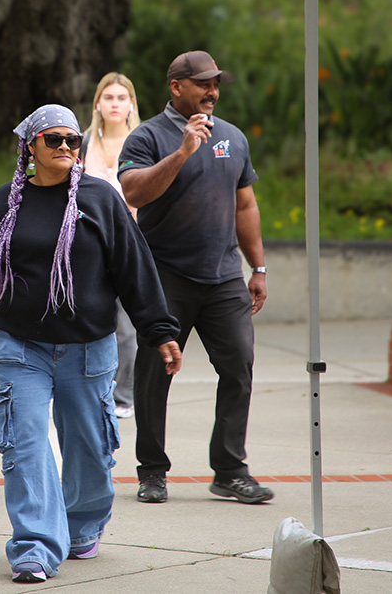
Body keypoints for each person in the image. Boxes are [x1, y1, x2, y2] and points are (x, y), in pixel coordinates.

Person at [0, 105, 182, 583]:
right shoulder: (6, 203)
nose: (65, 146)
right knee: (23, 443)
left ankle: (82, 525)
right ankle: (37, 545)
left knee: (87, 449)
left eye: (72, 139)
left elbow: (134, 268)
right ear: (30, 147)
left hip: (87, 348)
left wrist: (160, 331)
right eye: (53, 139)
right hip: (20, 347)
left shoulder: (99, 198)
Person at [117, 50, 273, 505]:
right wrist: (183, 150)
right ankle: (152, 472)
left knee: (239, 366)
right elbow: (134, 191)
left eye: (216, 84)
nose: (212, 91)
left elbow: (246, 205)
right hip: (165, 277)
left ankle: (229, 469)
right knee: (152, 376)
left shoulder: (233, 138)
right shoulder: (147, 136)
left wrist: (257, 267)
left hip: (224, 277)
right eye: (203, 83)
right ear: (176, 87)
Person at [81, 72, 142, 419]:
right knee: (93, 320)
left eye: (121, 97)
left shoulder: (143, 141)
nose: (115, 103)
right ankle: (92, 387)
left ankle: (124, 395)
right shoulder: (83, 143)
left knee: (128, 329)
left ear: (131, 103)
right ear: (98, 104)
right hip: (90, 247)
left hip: (133, 245)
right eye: (109, 97)